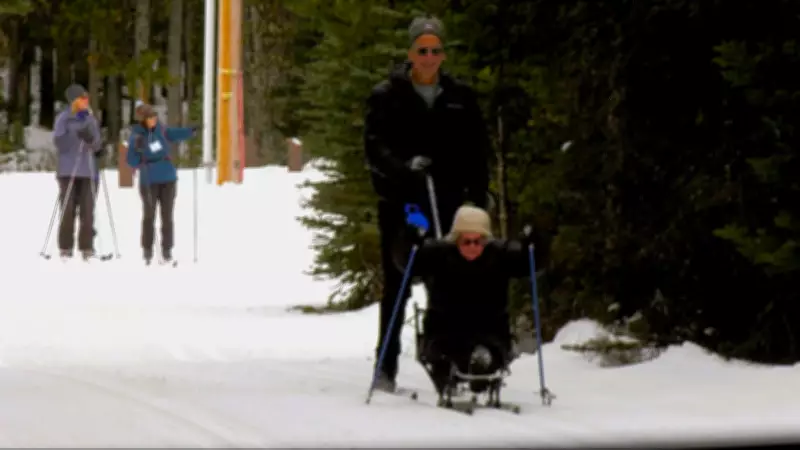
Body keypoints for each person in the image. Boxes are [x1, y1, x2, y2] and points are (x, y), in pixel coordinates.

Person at [364, 15, 492, 391]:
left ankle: (452, 355)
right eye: (423, 50)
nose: (430, 57)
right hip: (403, 201)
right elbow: (374, 147)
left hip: (451, 200)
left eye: (436, 50)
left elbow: (476, 149)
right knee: (399, 281)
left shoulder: (459, 97)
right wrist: (403, 171)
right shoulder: (387, 95)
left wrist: (478, 196)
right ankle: (385, 366)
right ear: (411, 53)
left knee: (452, 278)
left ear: (444, 54)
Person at [406, 205, 532, 395]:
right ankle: (449, 374)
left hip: (489, 330)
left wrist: (534, 240)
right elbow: (407, 262)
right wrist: (409, 237)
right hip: (446, 330)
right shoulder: (440, 255)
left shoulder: (500, 256)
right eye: (466, 242)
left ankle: (484, 367)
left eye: (478, 241)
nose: (472, 247)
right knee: (441, 351)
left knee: (492, 349)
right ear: (456, 240)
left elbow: (530, 262)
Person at [126, 103, 196, 264]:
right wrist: (138, 150)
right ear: (143, 120)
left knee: (167, 216)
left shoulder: (161, 130)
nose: (154, 119)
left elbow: (175, 133)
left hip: (168, 178)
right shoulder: (136, 136)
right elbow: (131, 161)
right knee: (149, 215)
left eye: (155, 116)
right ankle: (147, 249)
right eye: (150, 117)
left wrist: (190, 132)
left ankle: (167, 249)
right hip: (149, 180)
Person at [53, 84, 104, 261]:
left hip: (89, 170)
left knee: (88, 210)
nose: (85, 101)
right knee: (67, 210)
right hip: (68, 170)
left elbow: (97, 144)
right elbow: (60, 144)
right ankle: (66, 247)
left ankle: (87, 247)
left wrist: (91, 139)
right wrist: (76, 135)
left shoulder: (90, 119)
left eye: (86, 98)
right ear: (74, 100)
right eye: (82, 98)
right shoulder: (64, 119)